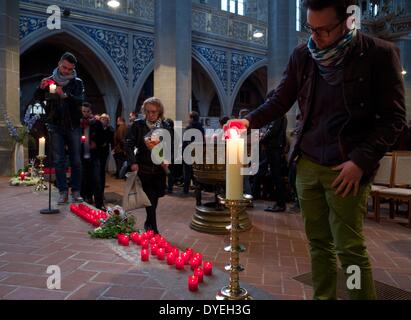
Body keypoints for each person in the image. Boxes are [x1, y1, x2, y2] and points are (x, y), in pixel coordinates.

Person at [229, 0, 406, 300]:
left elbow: (394, 119)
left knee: (349, 249)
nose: (316, 37)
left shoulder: (378, 54)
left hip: (347, 169)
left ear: (348, 21)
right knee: (318, 245)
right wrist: (247, 121)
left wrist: (360, 162)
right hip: (308, 164)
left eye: (324, 30)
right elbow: (280, 100)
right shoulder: (303, 55)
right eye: (311, 29)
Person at [34, 52, 84, 205]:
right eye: (64, 67)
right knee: (58, 160)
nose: (66, 71)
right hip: (55, 125)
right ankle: (63, 192)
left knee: (76, 160)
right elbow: (38, 99)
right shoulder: (50, 81)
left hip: (73, 125)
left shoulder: (77, 82)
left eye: (70, 69)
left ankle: (76, 191)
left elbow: (80, 101)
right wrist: (41, 88)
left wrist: (65, 95)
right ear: (59, 63)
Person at [125, 97, 171, 234]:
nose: (151, 115)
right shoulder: (138, 125)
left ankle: (148, 221)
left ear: (159, 112)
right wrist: (132, 162)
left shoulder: (165, 126)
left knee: (155, 198)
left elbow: (171, 146)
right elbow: (128, 144)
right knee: (149, 196)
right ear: (144, 111)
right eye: (148, 112)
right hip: (143, 167)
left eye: (154, 112)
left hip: (159, 169)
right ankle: (153, 227)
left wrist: (167, 159)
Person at [79, 102, 105, 209]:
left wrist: (96, 143)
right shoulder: (79, 123)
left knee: (96, 179)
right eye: (83, 111)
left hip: (94, 156)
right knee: (85, 179)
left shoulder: (97, 123)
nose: (85, 113)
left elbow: (102, 138)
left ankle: (99, 203)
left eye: (87, 111)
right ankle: (87, 199)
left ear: (91, 111)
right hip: (82, 156)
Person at [260, 116, 288, 212]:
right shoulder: (281, 115)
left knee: (276, 176)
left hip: (274, 148)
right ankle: (280, 203)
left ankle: (280, 204)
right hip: (276, 147)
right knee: (276, 176)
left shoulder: (277, 115)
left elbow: (272, 130)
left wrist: (262, 139)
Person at [183, 111, 205, 194]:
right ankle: (198, 189)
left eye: (189, 118)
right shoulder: (201, 128)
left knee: (187, 172)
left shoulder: (189, 128)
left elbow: (185, 141)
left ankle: (185, 190)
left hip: (188, 152)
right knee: (196, 172)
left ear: (191, 118)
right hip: (198, 152)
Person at [99, 113, 115, 192]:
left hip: (105, 151)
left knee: (102, 169)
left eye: (105, 119)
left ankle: (101, 188)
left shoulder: (110, 129)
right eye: (102, 119)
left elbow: (112, 140)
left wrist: (112, 148)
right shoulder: (98, 128)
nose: (103, 121)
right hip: (97, 151)